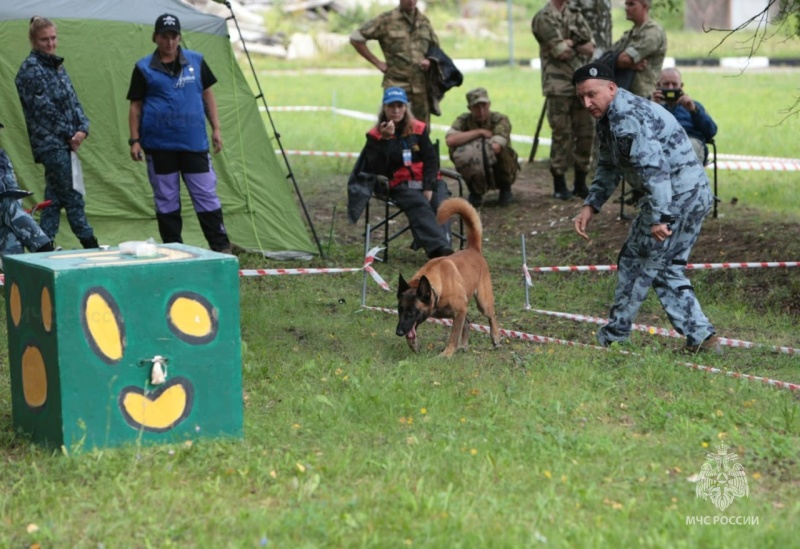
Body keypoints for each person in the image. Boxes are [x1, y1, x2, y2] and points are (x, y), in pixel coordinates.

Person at [571, 62, 718, 353]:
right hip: (691, 194)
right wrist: (592, 204)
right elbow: (609, 164)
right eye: (581, 97)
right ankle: (701, 335)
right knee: (665, 266)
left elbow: (654, 168)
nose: (587, 103)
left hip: (675, 196)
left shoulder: (627, 116)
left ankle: (616, 335)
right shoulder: (611, 115)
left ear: (611, 88)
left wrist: (660, 217)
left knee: (637, 259)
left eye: (592, 94)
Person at [127, 14, 232, 254]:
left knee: (206, 195)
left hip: (194, 144)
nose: (170, 42)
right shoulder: (143, 68)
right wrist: (135, 140)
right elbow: (136, 106)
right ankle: (173, 250)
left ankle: (221, 248)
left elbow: (208, 95)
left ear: (179, 37)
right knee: (166, 200)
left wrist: (216, 128)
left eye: (174, 36)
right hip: (159, 146)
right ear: (156, 37)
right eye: (164, 36)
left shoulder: (196, 61)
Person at [15, 16, 99, 249]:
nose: (51, 44)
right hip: (52, 144)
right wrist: (72, 134)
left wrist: (83, 128)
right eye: (44, 40)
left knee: (53, 200)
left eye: (53, 38)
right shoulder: (30, 70)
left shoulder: (56, 66)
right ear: (33, 40)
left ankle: (42, 246)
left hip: (65, 142)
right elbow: (45, 111)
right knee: (73, 196)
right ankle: (90, 244)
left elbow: (73, 100)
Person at [362, 87, 452, 259]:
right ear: (384, 108)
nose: (396, 110)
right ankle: (442, 251)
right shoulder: (375, 135)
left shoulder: (418, 128)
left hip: (428, 180)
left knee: (441, 206)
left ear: (405, 108)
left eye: (399, 106)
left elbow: (432, 160)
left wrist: (428, 186)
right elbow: (379, 167)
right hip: (400, 184)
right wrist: (386, 140)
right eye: (391, 106)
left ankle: (440, 247)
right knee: (420, 205)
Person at [532, 0, 596, 200]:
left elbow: (590, 47)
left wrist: (570, 43)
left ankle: (580, 182)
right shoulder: (544, 18)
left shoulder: (575, 13)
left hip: (581, 83)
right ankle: (559, 184)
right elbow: (561, 52)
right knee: (562, 134)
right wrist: (573, 45)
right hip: (557, 85)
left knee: (586, 131)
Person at [350, 0, 439, 127]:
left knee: (421, 130)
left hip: (421, 86)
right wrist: (377, 62)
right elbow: (356, 38)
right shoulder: (386, 20)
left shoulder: (424, 22)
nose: (411, 1)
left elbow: (436, 49)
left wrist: (430, 60)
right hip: (396, 85)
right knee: (391, 129)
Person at [445, 88, 519, 207]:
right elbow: (450, 140)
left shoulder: (500, 120)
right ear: (469, 108)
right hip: (478, 163)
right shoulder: (464, 120)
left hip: (499, 166)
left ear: (489, 104)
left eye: (484, 106)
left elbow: (496, 147)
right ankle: (475, 189)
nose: (481, 111)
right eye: (476, 107)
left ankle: (505, 187)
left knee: (500, 151)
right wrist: (480, 132)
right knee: (457, 151)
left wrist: (471, 145)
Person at [0, 122, 55, 260]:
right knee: (9, 207)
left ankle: (11, 273)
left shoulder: (1, 155)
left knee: (12, 228)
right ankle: (46, 250)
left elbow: (10, 186)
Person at [652, 68, 718, 166]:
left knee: (688, 147)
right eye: (666, 84)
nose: (670, 88)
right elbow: (638, 131)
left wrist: (694, 111)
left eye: (674, 84)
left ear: (681, 86)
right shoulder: (649, 105)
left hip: (689, 141)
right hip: (660, 144)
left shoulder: (693, 106)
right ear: (658, 86)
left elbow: (711, 131)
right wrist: (651, 108)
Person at [609, 0, 667, 99]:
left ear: (644, 7)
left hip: (643, 98)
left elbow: (625, 59)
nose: (627, 8)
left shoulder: (652, 32)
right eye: (626, 4)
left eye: (631, 4)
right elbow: (608, 56)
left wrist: (619, 61)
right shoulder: (630, 33)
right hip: (625, 96)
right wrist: (619, 60)